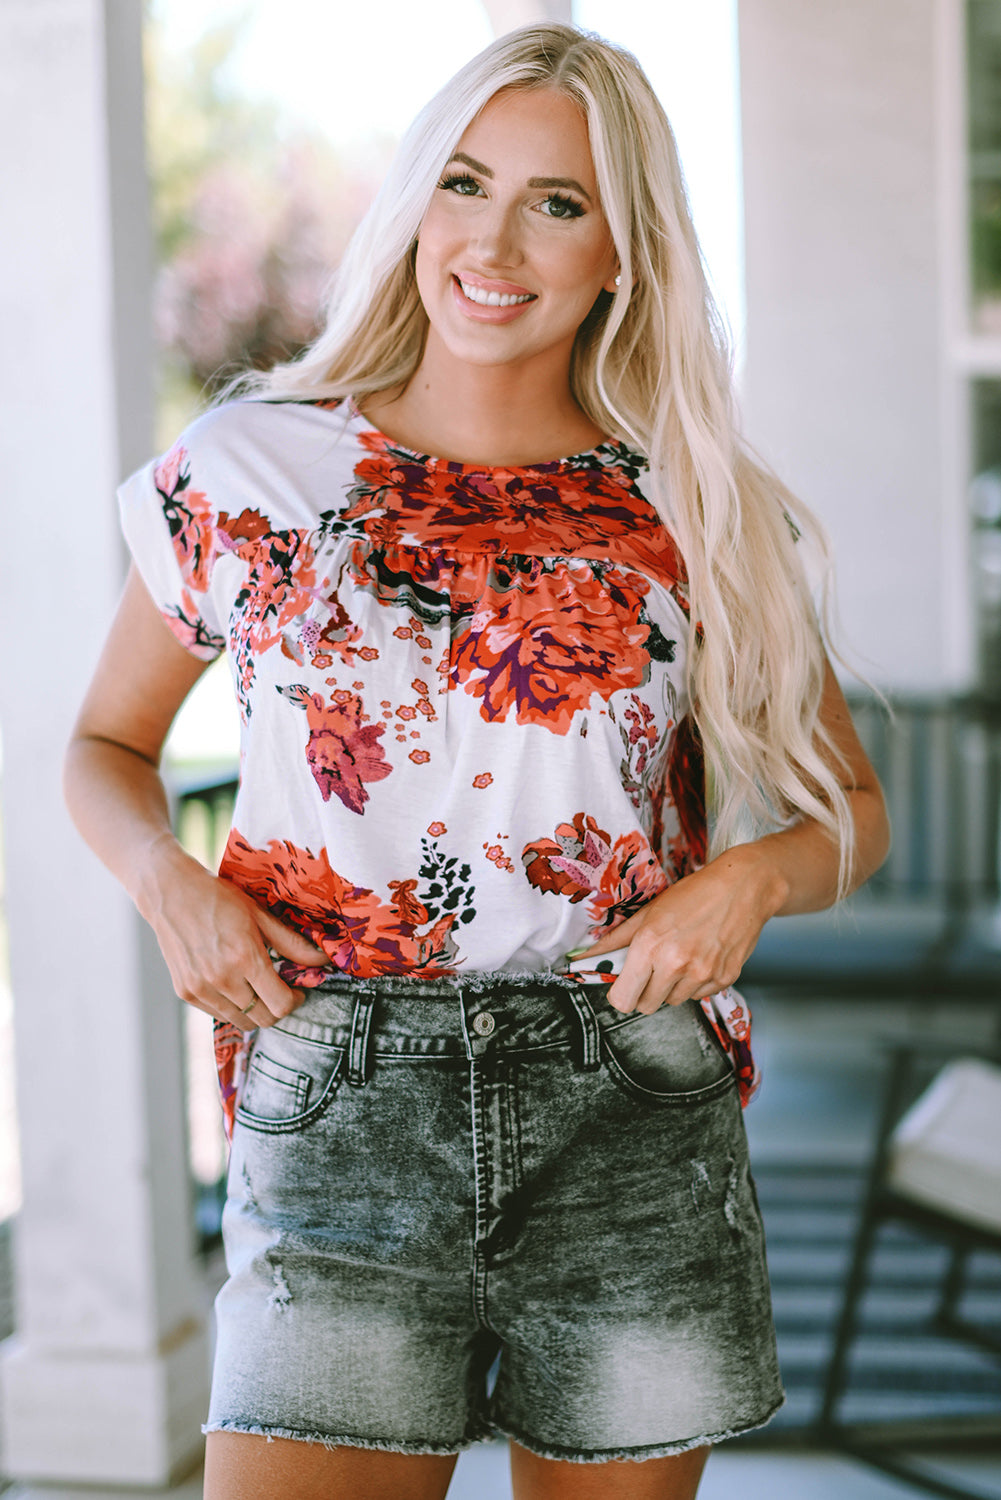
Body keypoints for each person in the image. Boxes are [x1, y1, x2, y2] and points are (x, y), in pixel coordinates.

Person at [64, 22, 890, 1500]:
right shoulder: (250, 474)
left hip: (624, 1106)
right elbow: (105, 745)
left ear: (621, 253)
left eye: (557, 202)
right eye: (464, 182)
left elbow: (852, 818)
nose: (494, 238)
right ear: (414, 206)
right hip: (334, 1109)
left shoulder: (691, 511)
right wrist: (169, 889)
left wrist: (749, 882)